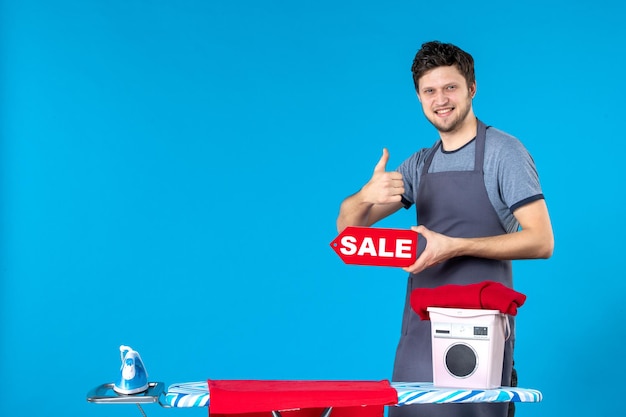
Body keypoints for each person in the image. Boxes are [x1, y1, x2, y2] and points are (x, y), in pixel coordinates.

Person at [336, 41, 554, 417]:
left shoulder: (505, 153)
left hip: (479, 333)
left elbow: (541, 240)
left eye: (450, 87)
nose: (441, 99)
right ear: (419, 97)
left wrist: (453, 247)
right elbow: (349, 234)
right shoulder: (421, 164)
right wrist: (363, 196)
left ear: (471, 88)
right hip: (420, 334)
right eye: (430, 91)